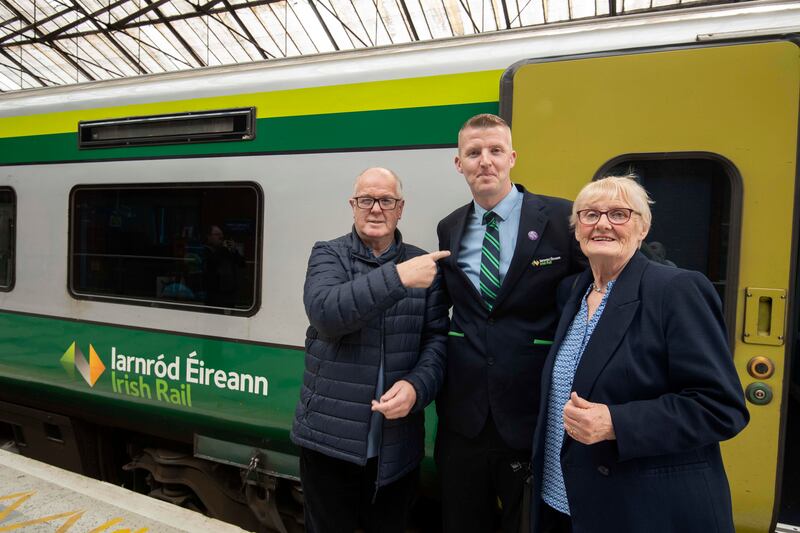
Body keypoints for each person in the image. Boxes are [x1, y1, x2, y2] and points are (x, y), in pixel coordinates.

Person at [530, 175, 749, 533]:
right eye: (589, 214)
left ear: (643, 228)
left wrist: (617, 423)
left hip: (642, 509)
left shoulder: (676, 290)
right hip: (564, 502)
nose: (602, 223)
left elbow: (721, 407)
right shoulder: (573, 291)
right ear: (577, 229)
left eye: (619, 214)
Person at [436, 114, 586, 532]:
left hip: (532, 412)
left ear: (512, 157)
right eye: (474, 152)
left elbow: (599, 288)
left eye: (495, 151)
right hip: (462, 418)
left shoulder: (561, 217)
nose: (485, 161)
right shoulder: (448, 227)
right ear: (459, 163)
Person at [291, 167, 449, 533]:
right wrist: (398, 277)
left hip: (396, 449)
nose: (376, 209)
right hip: (328, 444)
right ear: (353, 205)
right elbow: (327, 313)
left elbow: (437, 342)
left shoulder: (423, 265)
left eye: (386, 200)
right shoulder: (328, 255)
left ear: (400, 208)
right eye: (366, 200)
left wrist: (417, 387)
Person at [202, 224, 245, 307]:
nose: (221, 237)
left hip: (229, 293)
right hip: (213, 293)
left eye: (221, 234)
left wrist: (234, 251)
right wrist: (224, 249)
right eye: (217, 234)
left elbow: (242, 264)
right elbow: (212, 264)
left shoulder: (225, 251)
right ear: (209, 237)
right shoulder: (205, 250)